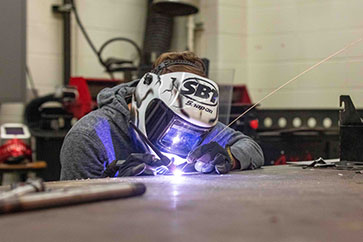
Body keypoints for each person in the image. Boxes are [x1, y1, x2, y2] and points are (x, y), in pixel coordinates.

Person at [60, 51, 264, 180]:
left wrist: (229, 157)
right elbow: (73, 217)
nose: (182, 139)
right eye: (174, 127)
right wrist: (116, 182)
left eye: (195, 131)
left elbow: (251, 148)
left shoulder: (197, 122)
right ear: (144, 100)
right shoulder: (90, 137)